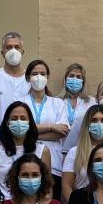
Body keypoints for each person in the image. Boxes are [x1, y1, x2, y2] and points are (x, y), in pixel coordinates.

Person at [19, 59, 70, 190]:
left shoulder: (58, 103)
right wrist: (51, 127)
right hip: (25, 161)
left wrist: (28, 133)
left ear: (48, 77)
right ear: (28, 77)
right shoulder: (19, 102)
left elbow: (62, 132)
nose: (39, 77)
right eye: (34, 74)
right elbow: (17, 130)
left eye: (42, 74)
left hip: (54, 164)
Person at [0, 101, 50, 198]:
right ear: (7, 123)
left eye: (23, 118)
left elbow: (47, 188)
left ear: (29, 122)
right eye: (14, 118)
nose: (19, 122)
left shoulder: (42, 151)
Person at [0, 31, 30, 147]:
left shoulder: (30, 78)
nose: (13, 51)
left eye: (17, 47)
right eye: (9, 47)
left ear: (22, 52)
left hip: (26, 142)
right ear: (2, 53)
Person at [59, 62, 95, 134]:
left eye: (78, 77)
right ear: (66, 79)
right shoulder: (57, 101)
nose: (74, 79)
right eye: (71, 76)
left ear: (83, 82)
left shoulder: (91, 102)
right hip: (60, 139)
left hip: (81, 139)